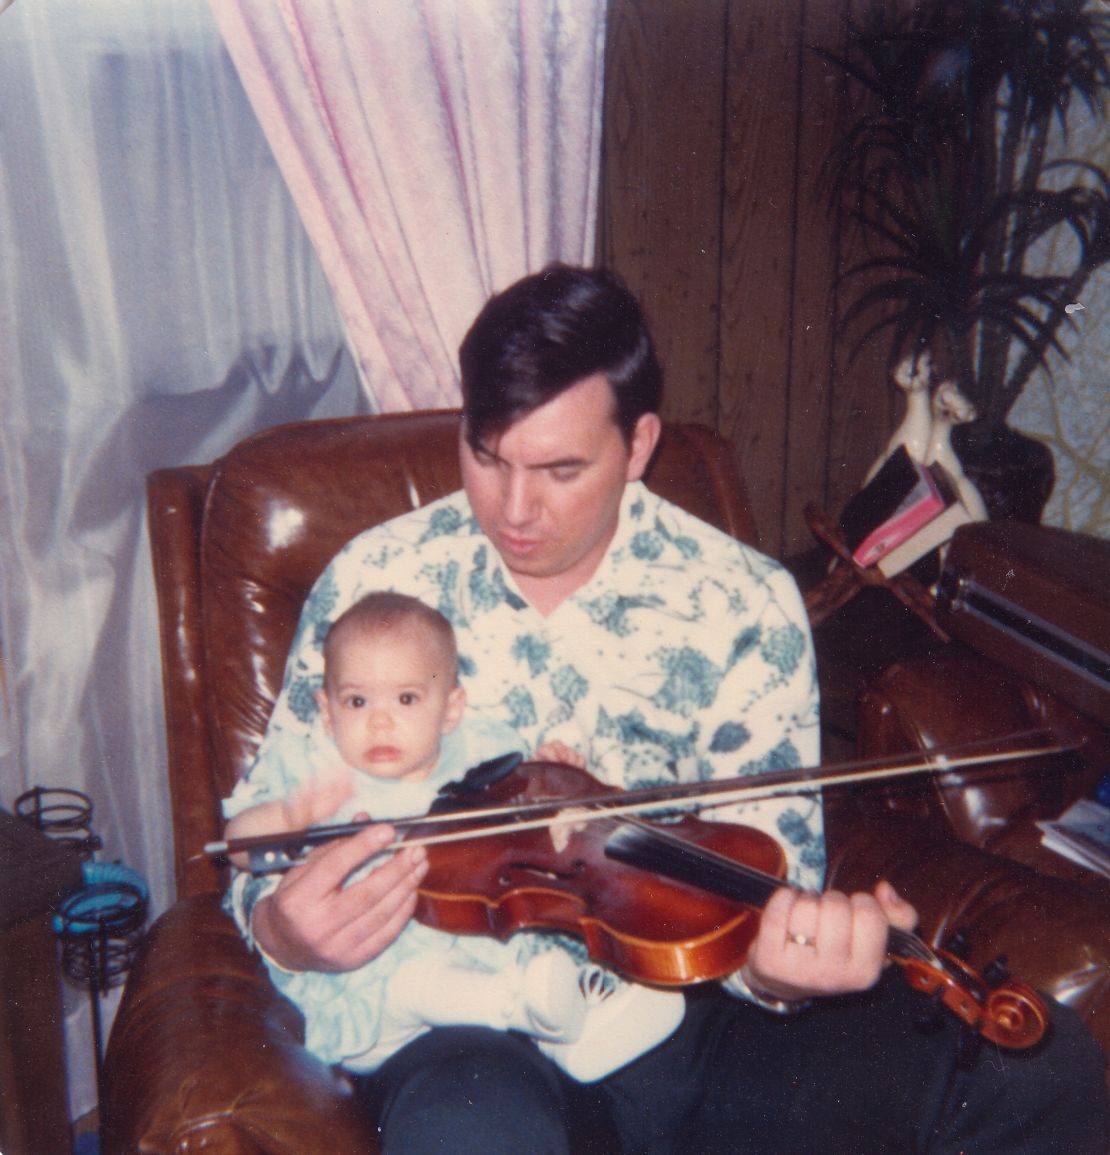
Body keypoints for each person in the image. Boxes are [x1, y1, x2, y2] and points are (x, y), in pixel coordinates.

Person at [227, 265, 1108, 1154]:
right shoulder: (377, 578)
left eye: (560, 468)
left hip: (684, 1012)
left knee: (1038, 1069)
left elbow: (769, 867)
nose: (514, 507)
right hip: (461, 1020)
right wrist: (283, 929)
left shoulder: (744, 602)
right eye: (487, 456)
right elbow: (264, 843)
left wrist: (783, 969)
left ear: (639, 443)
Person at [222, 590, 594, 1075]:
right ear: (328, 711)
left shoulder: (480, 752)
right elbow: (239, 848)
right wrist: (295, 813)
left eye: (406, 698)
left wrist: (552, 783)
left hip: (477, 946)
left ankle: (573, 1032)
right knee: (420, 983)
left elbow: (528, 833)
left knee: (540, 977)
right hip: (375, 985)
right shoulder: (314, 768)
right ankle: (512, 1004)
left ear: (450, 709)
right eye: (357, 701)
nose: (380, 720)